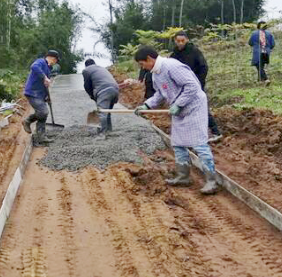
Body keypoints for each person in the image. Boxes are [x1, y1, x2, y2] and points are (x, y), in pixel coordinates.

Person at [134, 46, 218, 195]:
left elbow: (193, 86)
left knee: (199, 143)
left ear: (149, 59)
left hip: (194, 106)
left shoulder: (172, 66)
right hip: (179, 109)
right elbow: (160, 94)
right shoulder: (156, 74)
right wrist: (147, 105)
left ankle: (211, 181)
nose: (142, 67)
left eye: (142, 64)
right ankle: (183, 176)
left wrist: (179, 103)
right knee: (178, 143)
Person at [170, 30, 222, 141]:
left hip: (196, 85)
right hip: (181, 87)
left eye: (182, 41)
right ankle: (188, 134)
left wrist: (198, 83)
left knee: (200, 107)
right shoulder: (174, 54)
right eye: (178, 41)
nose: (180, 43)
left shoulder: (194, 52)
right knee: (184, 109)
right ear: (175, 41)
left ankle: (215, 132)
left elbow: (204, 67)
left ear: (187, 40)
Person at [22, 50, 60, 145]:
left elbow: (45, 84)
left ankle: (41, 137)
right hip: (32, 92)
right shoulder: (41, 62)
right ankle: (28, 120)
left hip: (39, 94)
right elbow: (33, 67)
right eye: (55, 60)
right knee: (43, 112)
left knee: (42, 114)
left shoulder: (48, 68)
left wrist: (46, 96)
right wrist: (45, 77)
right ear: (52, 58)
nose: (55, 62)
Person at [82, 58, 119, 138]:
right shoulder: (102, 68)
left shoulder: (86, 70)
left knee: (102, 112)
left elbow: (87, 85)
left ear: (86, 65)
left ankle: (102, 134)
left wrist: (92, 96)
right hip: (115, 90)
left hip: (104, 91)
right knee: (107, 112)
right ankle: (109, 130)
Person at [248, 21, 275, 85]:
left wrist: (255, 45)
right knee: (261, 66)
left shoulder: (254, 33)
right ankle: (259, 80)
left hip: (258, 52)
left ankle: (266, 79)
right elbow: (273, 44)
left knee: (258, 65)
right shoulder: (269, 33)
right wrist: (268, 48)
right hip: (266, 52)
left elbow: (250, 43)